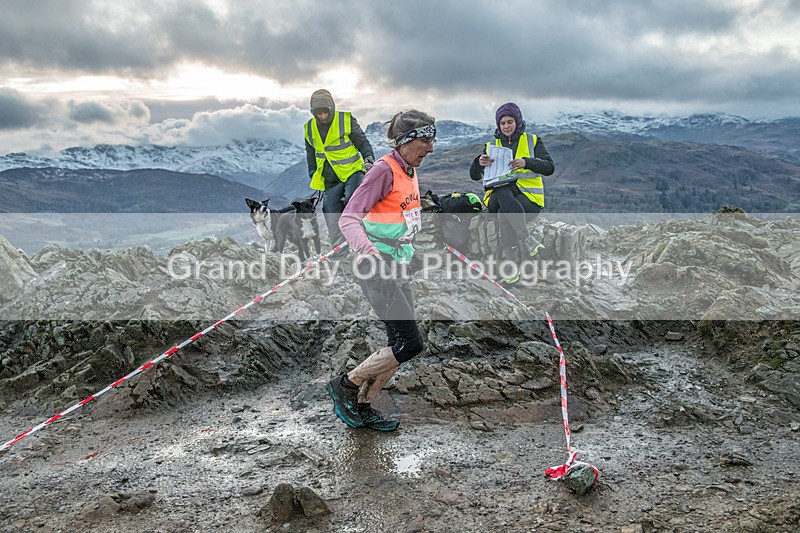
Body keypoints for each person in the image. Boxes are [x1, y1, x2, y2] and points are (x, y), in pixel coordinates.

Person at [326, 109, 435, 431]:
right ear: (405, 141)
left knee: (397, 341)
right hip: (376, 266)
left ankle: (364, 406)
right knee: (411, 344)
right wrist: (371, 254)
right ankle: (344, 385)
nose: (430, 149)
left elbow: (399, 211)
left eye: (432, 141)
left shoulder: (408, 169)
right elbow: (348, 218)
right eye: (425, 141)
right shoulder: (383, 170)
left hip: (399, 262)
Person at [469, 102, 555, 283]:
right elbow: (474, 176)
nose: (506, 126)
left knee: (504, 214)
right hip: (495, 199)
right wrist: (478, 162)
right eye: (502, 123)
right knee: (502, 188)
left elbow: (549, 167)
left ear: (518, 121)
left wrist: (527, 162)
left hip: (528, 199)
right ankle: (526, 238)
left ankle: (511, 269)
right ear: (498, 125)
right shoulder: (491, 146)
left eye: (510, 122)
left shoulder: (533, 141)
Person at [304, 89, 375, 255]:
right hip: (330, 178)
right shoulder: (309, 127)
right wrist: (312, 170)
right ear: (313, 112)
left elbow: (362, 142)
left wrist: (369, 157)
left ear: (332, 108)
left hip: (353, 171)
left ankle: (367, 244)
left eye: (325, 112)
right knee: (331, 211)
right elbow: (310, 151)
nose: (322, 116)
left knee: (353, 202)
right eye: (318, 112)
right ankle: (340, 255)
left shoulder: (345, 120)